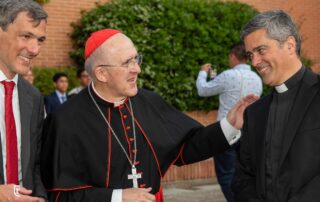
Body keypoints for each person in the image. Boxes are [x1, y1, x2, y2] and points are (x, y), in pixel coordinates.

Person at [40, 29, 258, 202]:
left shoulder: (148, 101)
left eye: (136, 59)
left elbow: (185, 148)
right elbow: (60, 194)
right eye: (127, 63)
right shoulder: (65, 120)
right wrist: (117, 197)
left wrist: (229, 125)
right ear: (101, 73)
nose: (137, 69)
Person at [232, 10, 320, 202]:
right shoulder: (254, 112)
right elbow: (242, 177)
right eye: (250, 54)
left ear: (289, 45)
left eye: (261, 50)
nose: (255, 61)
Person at [196, 43, 262, 202]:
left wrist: (203, 72)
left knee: (226, 174)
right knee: (245, 174)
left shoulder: (227, 75)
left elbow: (203, 90)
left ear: (233, 56)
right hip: (248, 131)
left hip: (227, 130)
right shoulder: (257, 78)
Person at [0, 0, 47, 201]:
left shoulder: (33, 97)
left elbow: (34, 164)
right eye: (26, 36)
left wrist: (41, 197)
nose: (34, 49)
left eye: (40, 40)